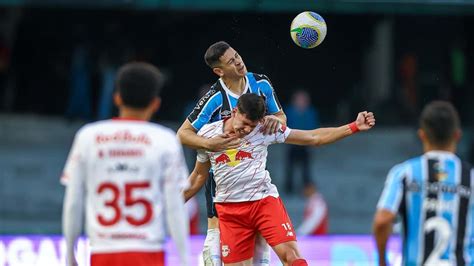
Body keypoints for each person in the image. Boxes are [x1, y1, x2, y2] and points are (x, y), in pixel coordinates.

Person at [184, 93, 375, 266]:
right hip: (230, 210)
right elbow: (199, 176)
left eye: (252, 126)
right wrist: (173, 203)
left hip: (264, 202)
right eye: (244, 123)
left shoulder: (265, 129)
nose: (246, 130)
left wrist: (354, 127)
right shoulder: (207, 135)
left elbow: (314, 137)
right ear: (234, 111)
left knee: (292, 257)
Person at [61, 62, 190, 266]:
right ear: (156, 103)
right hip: (148, 252)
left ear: (117, 98)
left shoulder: (88, 136)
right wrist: (184, 259)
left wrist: (70, 255)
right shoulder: (165, 140)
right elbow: (175, 206)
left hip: (103, 252)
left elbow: (73, 202)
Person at [177, 41, 287, 266]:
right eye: (231, 61)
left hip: (255, 186)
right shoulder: (215, 97)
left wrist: (276, 121)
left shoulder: (261, 83)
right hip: (222, 189)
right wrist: (210, 144)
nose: (238, 62)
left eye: (237, 55)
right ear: (219, 71)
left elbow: (282, 118)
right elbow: (183, 134)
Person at [373, 101, 474, 266]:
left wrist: (383, 261)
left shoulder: (404, 173)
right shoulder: (470, 177)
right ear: (457, 135)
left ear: (422, 135)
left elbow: (382, 221)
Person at [285, 90, 320, 193]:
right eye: (299, 99)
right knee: (290, 166)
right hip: (292, 143)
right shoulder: (289, 111)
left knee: (306, 167)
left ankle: (307, 187)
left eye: (303, 100)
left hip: (305, 143)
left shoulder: (310, 112)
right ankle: (289, 187)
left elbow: (313, 126)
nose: (301, 102)